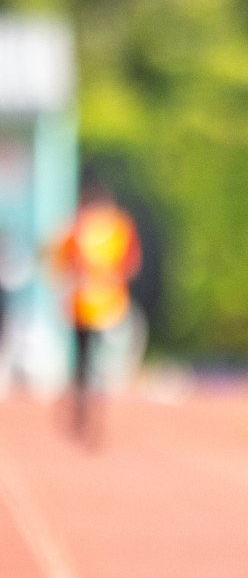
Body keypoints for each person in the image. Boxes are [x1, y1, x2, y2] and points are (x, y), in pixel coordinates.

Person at [52, 182, 141, 443]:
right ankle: (93, 411)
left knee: (83, 363)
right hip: (109, 306)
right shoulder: (118, 228)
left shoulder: (76, 227)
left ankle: (82, 411)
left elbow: (62, 264)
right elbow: (132, 263)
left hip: (83, 306)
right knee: (102, 363)